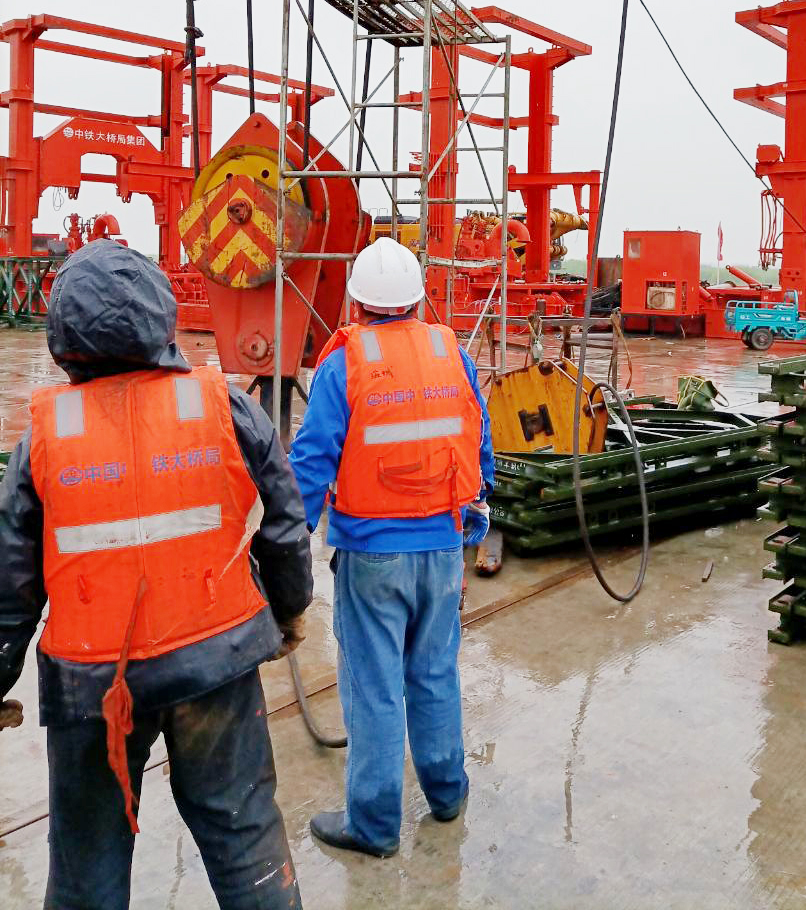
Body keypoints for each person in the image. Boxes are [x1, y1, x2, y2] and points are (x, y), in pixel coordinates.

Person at [0, 240, 313, 910]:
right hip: (216, 667)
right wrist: (288, 608)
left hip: (94, 687)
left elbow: (10, 585)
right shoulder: (222, 406)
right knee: (247, 844)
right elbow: (285, 519)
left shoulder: (45, 439)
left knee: (87, 870)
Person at [289, 237, 494, 858]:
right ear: (417, 299)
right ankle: (447, 793)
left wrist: (287, 544)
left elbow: (312, 462)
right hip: (443, 547)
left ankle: (375, 826)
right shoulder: (452, 353)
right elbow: (478, 437)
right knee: (434, 673)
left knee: (375, 688)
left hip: (373, 553)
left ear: (356, 302)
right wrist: (474, 512)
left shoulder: (345, 364)